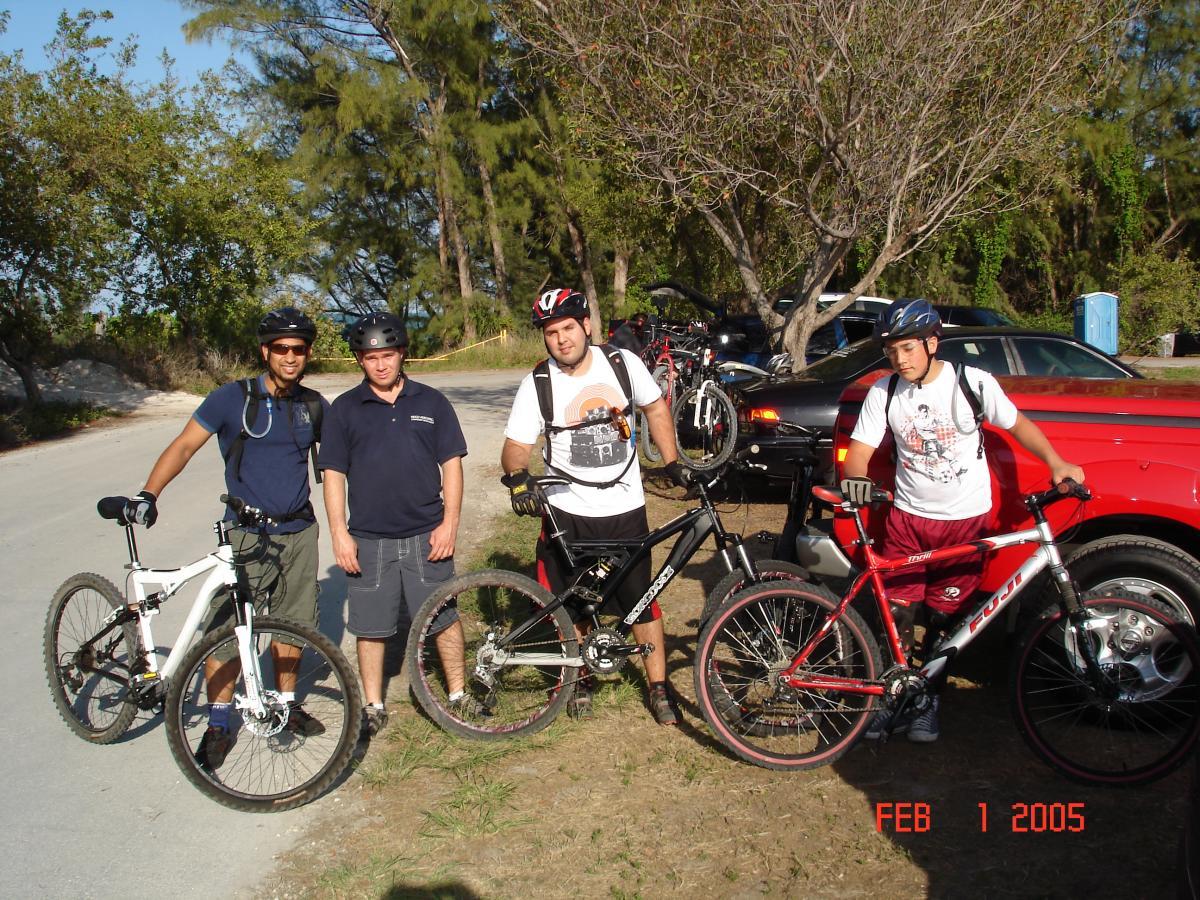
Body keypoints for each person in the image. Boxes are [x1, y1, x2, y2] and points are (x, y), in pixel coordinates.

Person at [841, 298, 1085, 743]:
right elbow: (859, 451)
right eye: (892, 350)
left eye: (909, 348)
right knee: (896, 615)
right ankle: (892, 697)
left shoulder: (972, 382)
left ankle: (926, 702)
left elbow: (1018, 425)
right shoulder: (886, 391)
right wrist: (854, 479)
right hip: (908, 520)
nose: (900, 358)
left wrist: (1056, 461)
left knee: (942, 621)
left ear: (932, 343)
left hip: (965, 522)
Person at [130, 306, 330, 769]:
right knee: (225, 632)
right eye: (281, 348)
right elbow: (183, 445)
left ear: (307, 354)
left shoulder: (314, 406)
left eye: (298, 349)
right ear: (265, 351)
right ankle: (219, 722)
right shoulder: (230, 399)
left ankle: (285, 705)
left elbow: (343, 464)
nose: (290, 357)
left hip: (298, 531)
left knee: (293, 624)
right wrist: (148, 493)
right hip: (244, 536)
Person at [500, 288, 690, 725]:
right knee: (572, 603)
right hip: (568, 512)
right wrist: (517, 479)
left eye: (568, 327)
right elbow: (515, 447)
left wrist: (674, 461)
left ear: (587, 325)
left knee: (643, 600)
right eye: (551, 333)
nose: (562, 339)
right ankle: (580, 678)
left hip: (626, 507)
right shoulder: (539, 383)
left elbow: (656, 406)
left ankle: (659, 688)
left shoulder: (622, 364)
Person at [318, 311, 472, 738]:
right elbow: (333, 474)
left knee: (443, 616)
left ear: (402, 354)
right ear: (360, 361)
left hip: (427, 534)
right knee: (370, 628)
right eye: (371, 357)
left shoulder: (432, 403)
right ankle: (373, 704)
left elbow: (452, 466)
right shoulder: (344, 410)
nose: (381, 364)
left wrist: (450, 524)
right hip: (369, 539)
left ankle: (459, 694)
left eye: (388, 355)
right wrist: (339, 533)